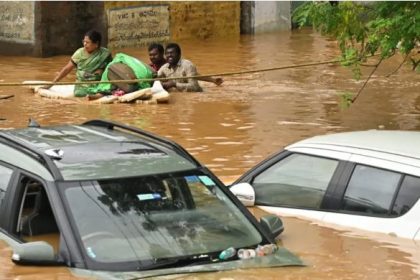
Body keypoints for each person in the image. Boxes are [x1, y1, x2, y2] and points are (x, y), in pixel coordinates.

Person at [50, 30, 112, 97]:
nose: (85, 44)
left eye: (87, 42)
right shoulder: (79, 53)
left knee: (110, 87)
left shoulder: (105, 54)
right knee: (80, 93)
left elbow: (111, 69)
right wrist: (54, 82)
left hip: (99, 83)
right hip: (82, 85)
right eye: (84, 41)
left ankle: (99, 93)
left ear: (96, 44)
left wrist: (101, 71)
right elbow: (67, 69)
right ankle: (96, 94)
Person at [156, 43, 223, 92]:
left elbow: (194, 87)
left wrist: (174, 84)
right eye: (167, 53)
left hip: (196, 96)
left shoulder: (188, 65)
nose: (169, 55)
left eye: (172, 53)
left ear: (179, 54)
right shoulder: (164, 68)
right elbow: (154, 77)